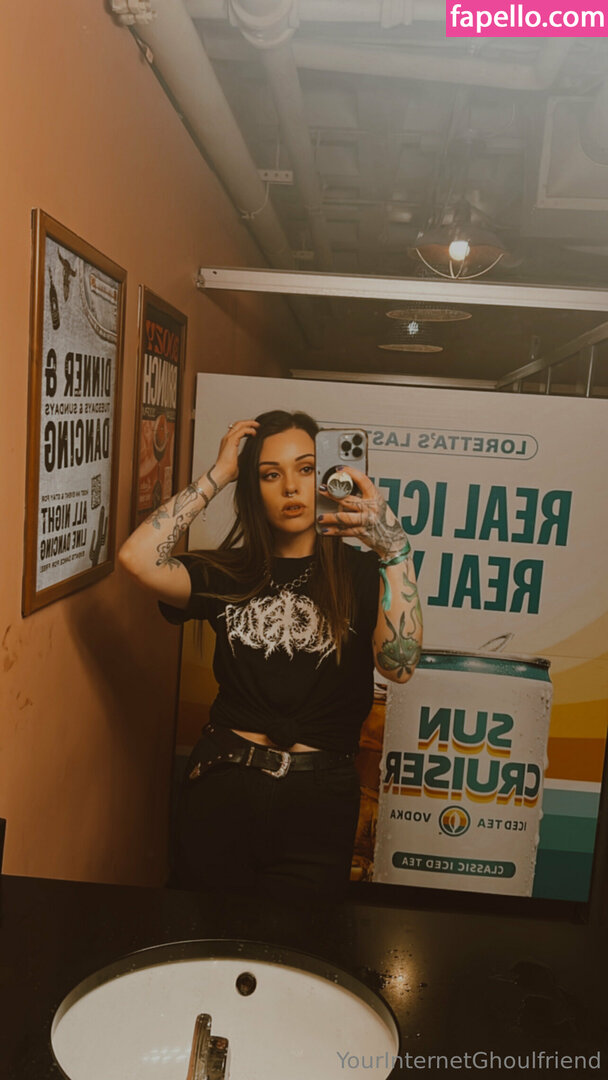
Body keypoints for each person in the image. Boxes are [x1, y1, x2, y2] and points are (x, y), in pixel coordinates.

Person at [119, 409, 422, 901]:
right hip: (222, 785)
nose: (291, 488)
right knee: (204, 935)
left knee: (300, 941)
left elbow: (399, 664)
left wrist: (395, 551)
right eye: (270, 474)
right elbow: (136, 559)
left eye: (306, 469)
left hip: (319, 800)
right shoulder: (228, 572)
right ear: (252, 489)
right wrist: (219, 475)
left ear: (327, 478)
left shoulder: (364, 574)